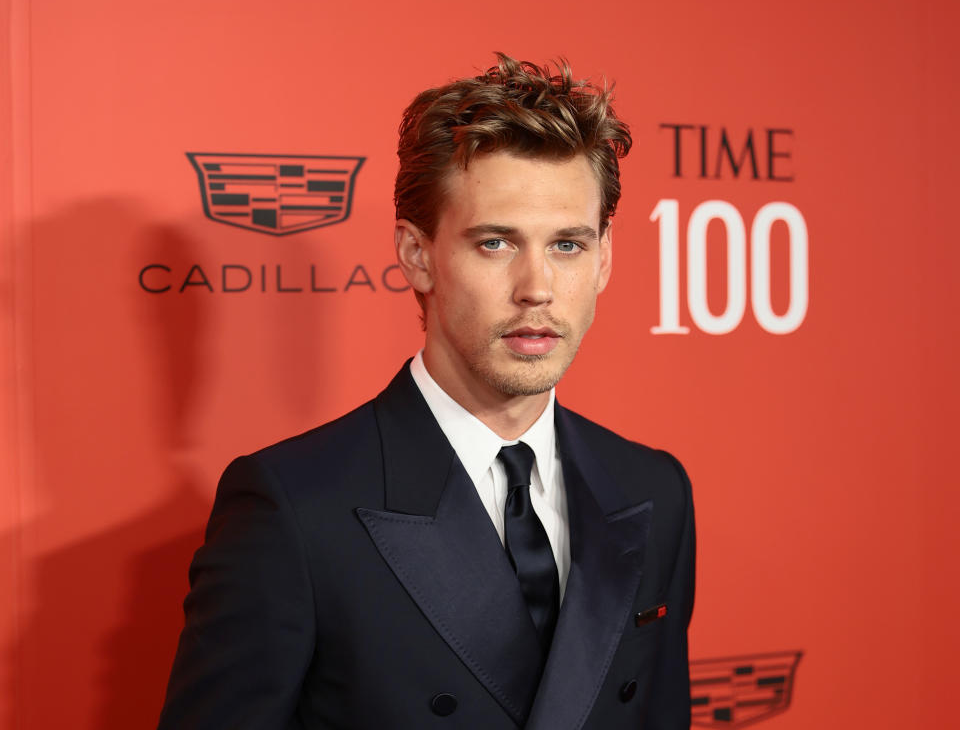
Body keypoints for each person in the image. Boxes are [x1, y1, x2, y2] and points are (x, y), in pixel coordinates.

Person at [157, 53, 695, 730]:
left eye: (567, 245)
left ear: (605, 256)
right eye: (496, 243)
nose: (538, 287)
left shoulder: (653, 489)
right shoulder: (293, 509)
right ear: (416, 254)